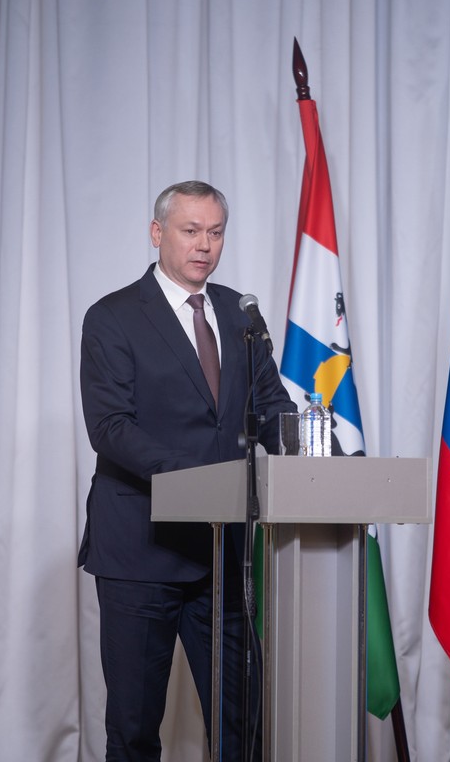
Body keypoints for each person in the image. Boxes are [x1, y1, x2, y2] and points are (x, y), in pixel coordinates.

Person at [77, 180, 295, 761]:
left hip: (222, 557)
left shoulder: (240, 313)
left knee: (243, 724)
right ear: (157, 233)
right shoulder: (113, 316)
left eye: (215, 232)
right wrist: (200, 480)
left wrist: (326, 459)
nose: (205, 245)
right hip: (139, 550)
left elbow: (272, 409)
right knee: (134, 729)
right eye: (191, 230)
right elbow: (111, 427)